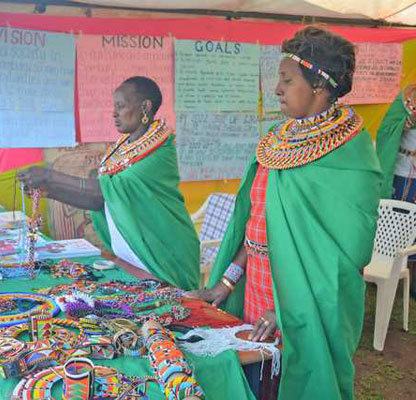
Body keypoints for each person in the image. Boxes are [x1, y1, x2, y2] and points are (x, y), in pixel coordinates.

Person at [188, 27, 381, 399]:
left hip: (306, 305)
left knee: (294, 384)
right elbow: (256, 228)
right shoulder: (276, 141)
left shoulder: (351, 156)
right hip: (255, 293)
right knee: (254, 381)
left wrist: (288, 311)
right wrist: (226, 283)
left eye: (286, 80)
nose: (276, 89)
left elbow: (345, 260)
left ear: (319, 87)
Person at [19, 76, 200, 290]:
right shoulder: (123, 146)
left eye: (121, 106)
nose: (114, 113)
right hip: (132, 256)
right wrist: (49, 190)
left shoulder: (160, 151)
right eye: (114, 106)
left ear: (145, 107)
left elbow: (104, 192)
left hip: (164, 251)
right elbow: (101, 201)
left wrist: (51, 176)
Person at [376, 84, 416, 298]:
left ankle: (413, 277)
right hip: (401, 168)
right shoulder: (405, 99)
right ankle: (384, 269)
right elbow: (386, 130)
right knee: (396, 222)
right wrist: (405, 123)